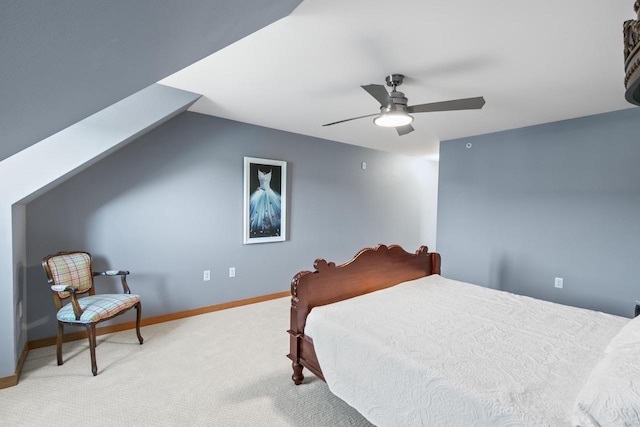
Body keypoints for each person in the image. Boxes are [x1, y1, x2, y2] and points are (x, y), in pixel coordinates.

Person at [249, 168, 282, 237]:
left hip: (269, 191)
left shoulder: (271, 170)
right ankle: (260, 228)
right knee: (259, 210)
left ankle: (269, 228)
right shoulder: (258, 171)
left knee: (270, 210)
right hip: (260, 191)